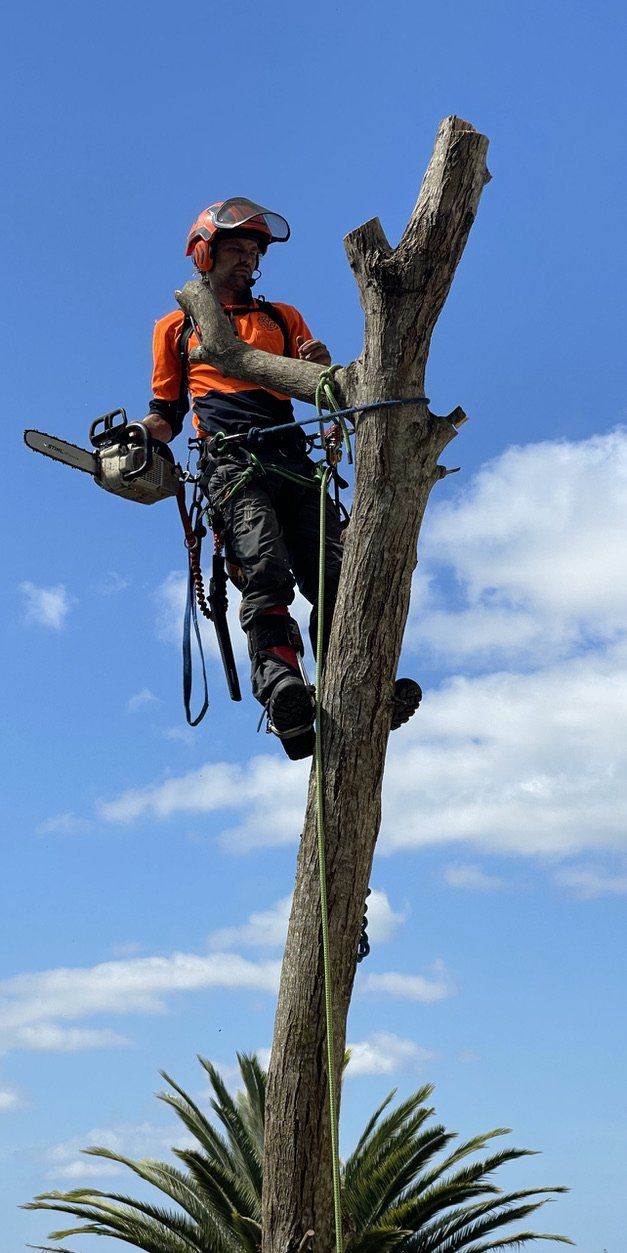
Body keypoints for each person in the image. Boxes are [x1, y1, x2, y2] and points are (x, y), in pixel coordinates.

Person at [144, 197, 421, 759]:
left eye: (253, 252)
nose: (248, 259)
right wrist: (138, 437)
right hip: (231, 462)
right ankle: (283, 690)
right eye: (236, 249)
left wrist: (321, 367)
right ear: (205, 254)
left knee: (337, 576)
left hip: (293, 458)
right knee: (264, 570)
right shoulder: (176, 327)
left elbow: (321, 387)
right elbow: (166, 413)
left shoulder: (282, 318)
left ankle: (363, 684)